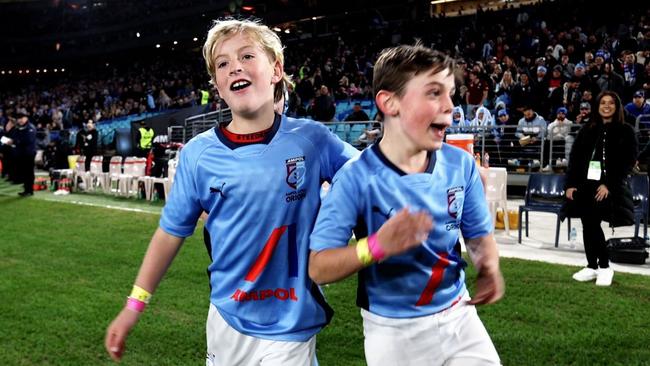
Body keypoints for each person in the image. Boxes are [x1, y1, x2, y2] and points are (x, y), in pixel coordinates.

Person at [104, 18, 420, 365]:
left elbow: (371, 176)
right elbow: (169, 234)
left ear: (275, 70)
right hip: (226, 319)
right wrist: (134, 304)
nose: (234, 66)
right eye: (223, 63)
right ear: (219, 87)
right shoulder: (198, 155)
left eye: (247, 56)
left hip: (290, 325)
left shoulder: (311, 140)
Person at [309, 43, 504, 366]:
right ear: (390, 102)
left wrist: (488, 267)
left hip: (459, 317)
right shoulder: (356, 178)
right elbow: (318, 267)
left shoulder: (461, 165)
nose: (451, 106)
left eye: (450, 93)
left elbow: (478, 235)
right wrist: (374, 246)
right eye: (433, 93)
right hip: (393, 332)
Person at [564, 91, 637, 287]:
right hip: (585, 185)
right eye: (602, 102)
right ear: (597, 106)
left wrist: (609, 185)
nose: (606, 106)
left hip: (608, 187)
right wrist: (570, 184)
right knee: (587, 224)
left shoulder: (626, 130)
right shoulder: (588, 129)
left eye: (611, 103)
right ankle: (591, 266)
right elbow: (575, 158)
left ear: (617, 106)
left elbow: (627, 162)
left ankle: (604, 267)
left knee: (593, 224)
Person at [11, 112, 37, 196]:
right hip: (21, 153)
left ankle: (30, 190)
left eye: (22, 118)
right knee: (25, 172)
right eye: (18, 118)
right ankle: (26, 189)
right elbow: (15, 137)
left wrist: (15, 141)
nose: (20, 120)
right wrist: (12, 141)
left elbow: (28, 140)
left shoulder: (30, 127)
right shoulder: (19, 128)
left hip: (28, 153)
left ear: (26, 118)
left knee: (29, 172)